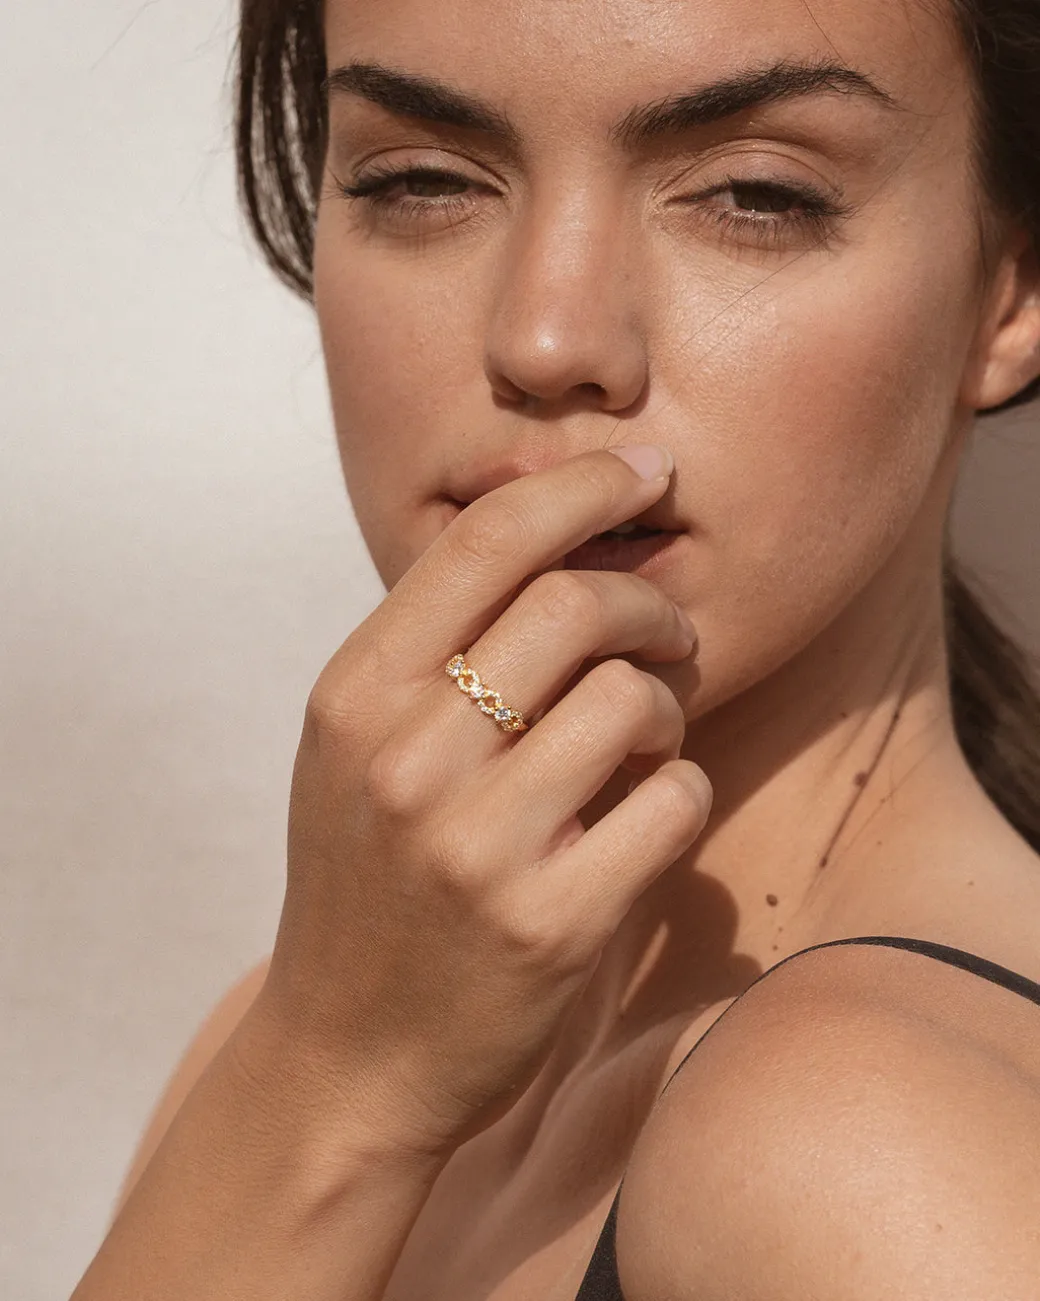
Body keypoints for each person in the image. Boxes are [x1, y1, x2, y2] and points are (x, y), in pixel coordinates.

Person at [72, 0, 1040, 1297]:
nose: (545, 340)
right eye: (420, 180)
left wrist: (328, 1103)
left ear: (1012, 290)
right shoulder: (283, 1046)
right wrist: (324, 1081)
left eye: (754, 194)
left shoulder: (869, 1147)